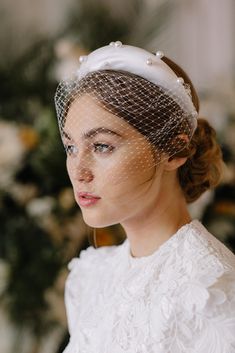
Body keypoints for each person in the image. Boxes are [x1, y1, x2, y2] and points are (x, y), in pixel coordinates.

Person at [54, 41, 235, 353]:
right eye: (71, 147)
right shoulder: (89, 278)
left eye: (101, 146)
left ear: (174, 150)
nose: (78, 171)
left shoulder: (211, 289)